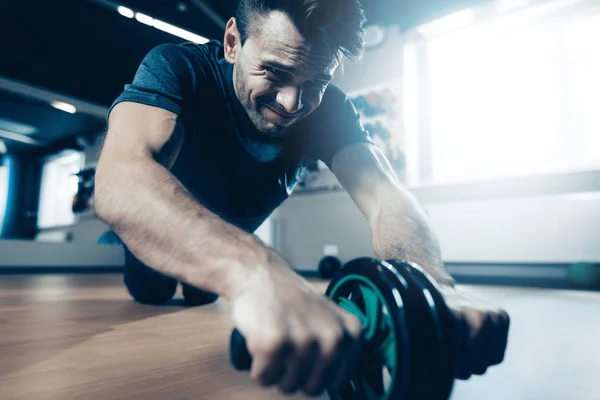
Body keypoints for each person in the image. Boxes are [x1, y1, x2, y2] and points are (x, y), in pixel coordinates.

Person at [95, 0, 510, 397]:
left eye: (315, 83)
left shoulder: (330, 111)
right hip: (162, 241)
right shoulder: (176, 67)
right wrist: (258, 272)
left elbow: (385, 195)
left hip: (224, 248)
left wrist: (430, 286)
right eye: (274, 73)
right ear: (233, 42)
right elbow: (120, 178)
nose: (292, 103)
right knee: (152, 293)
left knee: (202, 296)